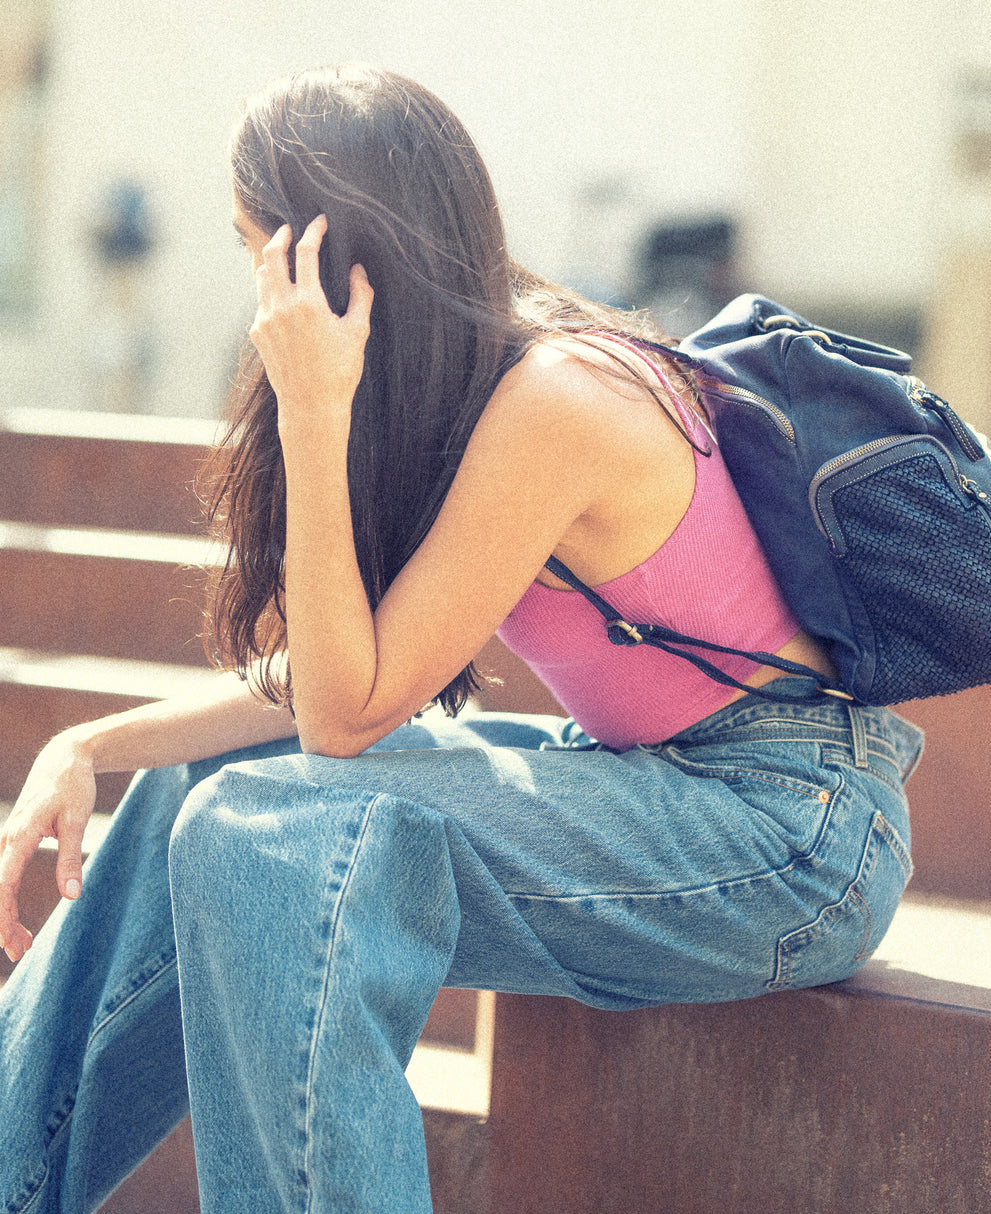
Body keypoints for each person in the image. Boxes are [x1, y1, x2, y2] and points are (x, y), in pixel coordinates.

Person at [0, 64, 923, 1214]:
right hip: (667, 789)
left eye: (258, 253)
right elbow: (347, 675)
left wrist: (313, 406)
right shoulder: (477, 387)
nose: (258, 299)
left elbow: (344, 716)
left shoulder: (554, 399)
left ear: (334, 257)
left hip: (792, 832)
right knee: (202, 784)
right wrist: (96, 740)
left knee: (264, 832)